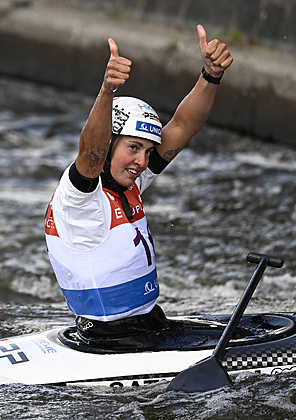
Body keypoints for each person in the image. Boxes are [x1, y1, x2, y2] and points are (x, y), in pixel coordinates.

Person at [45, 24, 233, 342]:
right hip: (110, 338)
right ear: (109, 145)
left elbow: (184, 125)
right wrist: (107, 91)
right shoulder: (80, 199)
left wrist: (210, 75)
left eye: (147, 151)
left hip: (146, 323)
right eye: (133, 148)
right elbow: (90, 151)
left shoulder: (131, 181)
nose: (143, 162)